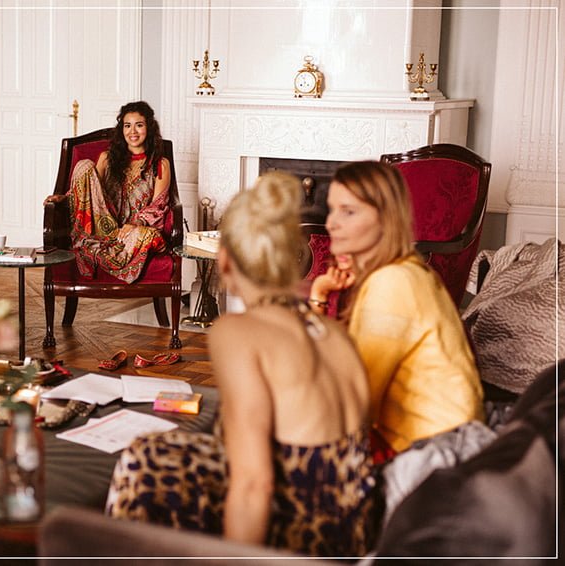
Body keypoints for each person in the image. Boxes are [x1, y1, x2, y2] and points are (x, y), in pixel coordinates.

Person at [106, 172, 379, 557]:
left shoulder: (237, 332)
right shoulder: (332, 332)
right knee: (168, 448)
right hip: (352, 529)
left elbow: (255, 483)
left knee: (143, 459)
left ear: (225, 261)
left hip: (303, 536)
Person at [324, 161, 484, 456]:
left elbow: (357, 403)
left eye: (348, 212)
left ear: (385, 220)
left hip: (432, 454)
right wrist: (319, 295)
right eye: (332, 209)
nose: (331, 223)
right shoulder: (400, 270)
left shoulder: (392, 282)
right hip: (427, 441)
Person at [43, 101, 171, 283]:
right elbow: (90, 190)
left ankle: (107, 251)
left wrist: (135, 224)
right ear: (122, 129)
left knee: (148, 236)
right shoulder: (106, 158)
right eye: (127, 125)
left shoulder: (160, 164)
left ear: (149, 128)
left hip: (135, 231)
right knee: (84, 166)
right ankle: (96, 242)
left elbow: (158, 206)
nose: (133, 131)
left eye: (139, 125)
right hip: (102, 226)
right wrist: (65, 198)